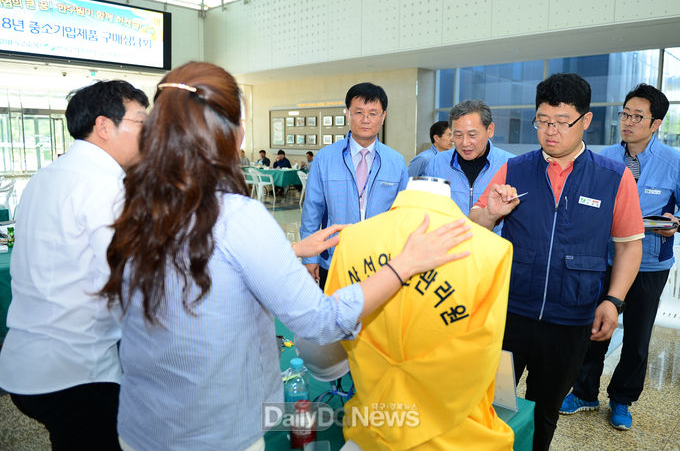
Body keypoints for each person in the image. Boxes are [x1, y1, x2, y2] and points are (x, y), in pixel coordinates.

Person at [99, 62, 473, 451]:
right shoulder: (237, 215)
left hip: (143, 423)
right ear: (228, 131)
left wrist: (292, 249)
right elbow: (321, 321)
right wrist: (405, 264)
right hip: (214, 430)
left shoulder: (137, 203)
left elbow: (208, 257)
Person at [468, 73, 644, 451]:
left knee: (545, 410)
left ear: (586, 121)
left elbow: (629, 246)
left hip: (571, 319)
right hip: (511, 315)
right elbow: (476, 224)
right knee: (492, 405)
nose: (550, 132)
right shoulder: (514, 170)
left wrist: (613, 301)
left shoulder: (613, 178)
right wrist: (490, 214)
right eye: (543, 121)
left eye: (562, 122)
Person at [0, 80, 149, 450]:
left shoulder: (46, 177)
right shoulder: (103, 187)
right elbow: (132, 278)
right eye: (141, 123)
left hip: (27, 361)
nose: (149, 134)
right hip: (76, 371)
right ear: (104, 126)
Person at [325, 177, 514, 450]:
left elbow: (333, 329)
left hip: (373, 416)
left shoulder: (353, 238)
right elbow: (483, 350)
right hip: (452, 427)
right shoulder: (492, 250)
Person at [560, 84, 680, 430]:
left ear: (656, 123)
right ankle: (584, 392)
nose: (628, 122)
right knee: (595, 328)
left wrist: (674, 221)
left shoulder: (672, 162)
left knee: (638, 337)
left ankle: (623, 399)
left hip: (650, 262)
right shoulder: (603, 157)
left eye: (637, 116)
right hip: (604, 259)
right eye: (625, 114)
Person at [301, 82, 409, 289]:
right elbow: (312, 211)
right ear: (348, 114)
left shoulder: (396, 162)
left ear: (383, 117)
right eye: (359, 112)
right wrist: (309, 257)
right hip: (333, 259)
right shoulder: (325, 158)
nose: (366, 119)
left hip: (380, 263)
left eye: (373, 113)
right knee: (333, 319)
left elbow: (402, 215)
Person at [426, 100, 513, 217]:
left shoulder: (510, 165)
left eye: (472, 135)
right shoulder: (437, 163)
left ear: (490, 130)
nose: (465, 143)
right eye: (458, 135)